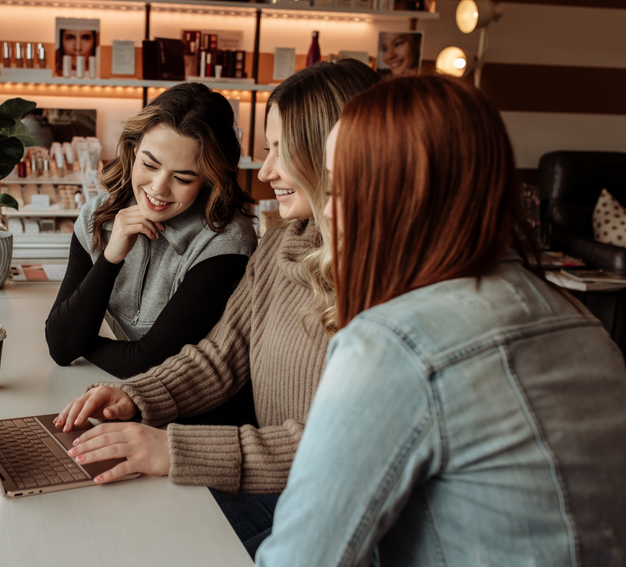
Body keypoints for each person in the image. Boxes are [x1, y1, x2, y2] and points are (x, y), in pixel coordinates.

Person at [257, 75, 626, 566]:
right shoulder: (585, 325)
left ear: (404, 197)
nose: (327, 209)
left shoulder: (392, 345)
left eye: (340, 188)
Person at [52, 59, 381, 557]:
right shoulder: (283, 243)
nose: (266, 170)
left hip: (324, 506)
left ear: (337, 155)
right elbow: (220, 355)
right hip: (275, 481)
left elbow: (343, 449)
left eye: (280, 151)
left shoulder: (383, 278)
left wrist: (172, 448)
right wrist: (134, 397)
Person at [46, 82, 257, 391]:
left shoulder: (225, 242)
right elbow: (61, 348)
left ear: (211, 179)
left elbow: (151, 363)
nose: (158, 188)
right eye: (149, 164)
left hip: (195, 414)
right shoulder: (98, 216)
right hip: (130, 396)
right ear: (133, 149)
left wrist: (82, 340)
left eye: (183, 177)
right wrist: (110, 258)